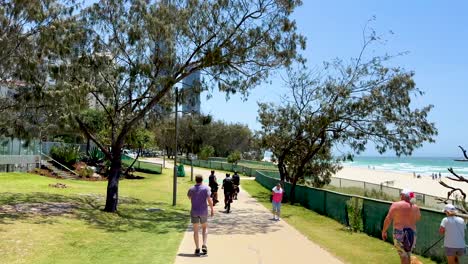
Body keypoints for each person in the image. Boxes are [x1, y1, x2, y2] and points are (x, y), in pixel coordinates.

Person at [382, 189, 421, 264]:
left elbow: (388, 219)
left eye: (401, 195)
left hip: (400, 232)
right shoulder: (415, 207)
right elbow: (418, 218)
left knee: (403, 255)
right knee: (408, 254)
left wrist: (384, 231)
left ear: (403, 195)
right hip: (412, 233)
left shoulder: (396, 205)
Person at [187, 175, 214, 256]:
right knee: (204, 227)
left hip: (194, 211)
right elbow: (209, 200)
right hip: (203, 211)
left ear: (196, 180)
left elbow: (189, 197)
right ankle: (204, 244)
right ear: (202, 180)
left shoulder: (191, 189)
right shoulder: (206, 188)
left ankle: (197, 248)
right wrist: (212, 209)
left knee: (195, 230)